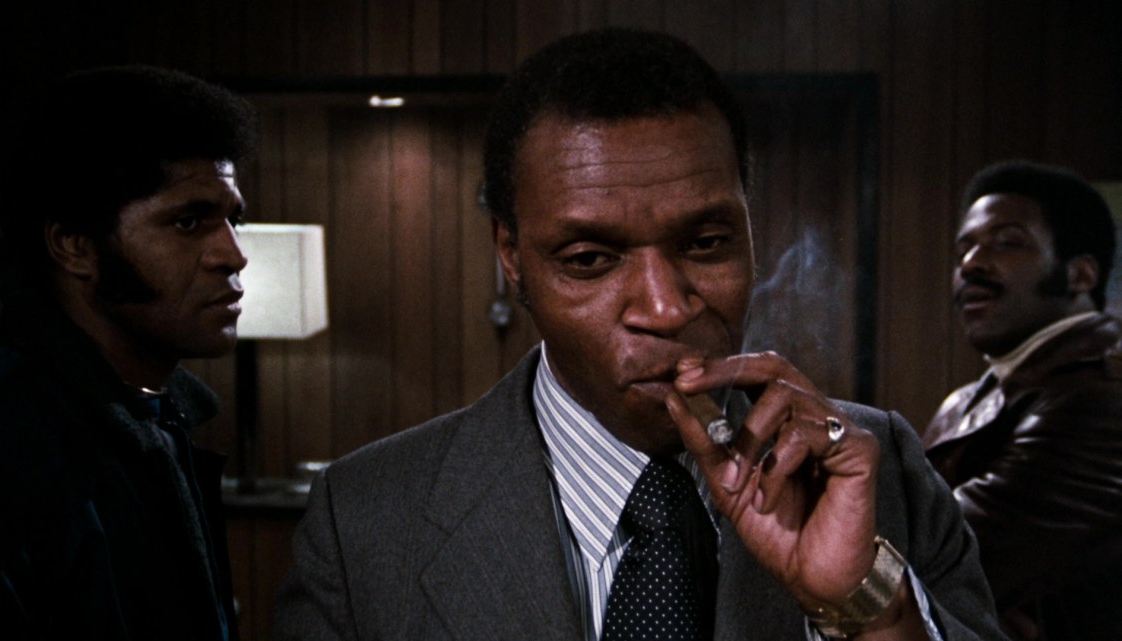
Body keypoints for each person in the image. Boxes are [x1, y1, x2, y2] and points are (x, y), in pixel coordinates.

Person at [274, 29, 1003, 641]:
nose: (664, 307)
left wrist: (869, 609)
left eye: (707, 243)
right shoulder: (366, 520)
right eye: (590, 259)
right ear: (511, 256)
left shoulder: (885, 474)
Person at [0, 65, 257, 640]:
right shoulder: (7, 438)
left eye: (233, 219)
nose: (233, 255)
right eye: (188, 222)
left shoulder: (159, 417)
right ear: (74, 246)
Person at [923, 160, 1122, 641]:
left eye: (1007, 243)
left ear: (1080, 275)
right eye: (964, 249)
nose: (970, 265)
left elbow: (945, 559)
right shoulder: (975, 395)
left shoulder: (1101, 395)